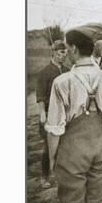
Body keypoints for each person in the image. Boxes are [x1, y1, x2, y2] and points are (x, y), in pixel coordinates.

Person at [44, 25, 102, 203]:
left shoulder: (62, 82)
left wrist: (52, 160)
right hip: (100, 151)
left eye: (67, 48)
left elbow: (54, 128)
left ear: (73, 48)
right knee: (96, 202)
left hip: (72, 154)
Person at [36, 40, 69, 188]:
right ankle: (45, 177)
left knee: (65, 144)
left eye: (66, 52)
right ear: (54, 52)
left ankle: (61, 175)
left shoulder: (68, 71)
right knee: (48, 146)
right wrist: (42, 113)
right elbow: (40, 96)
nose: (64, 55)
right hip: (50, 114)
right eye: (61, 52)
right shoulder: (45, 73)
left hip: (65, 113)